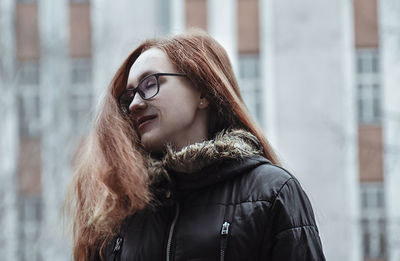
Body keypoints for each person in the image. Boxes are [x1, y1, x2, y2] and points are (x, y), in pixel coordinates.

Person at [65, 29, 326, 261]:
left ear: (202, 92)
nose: (135, 104)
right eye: (130, 95)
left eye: (150, 84)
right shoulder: (121, 208)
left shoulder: (271, 192)